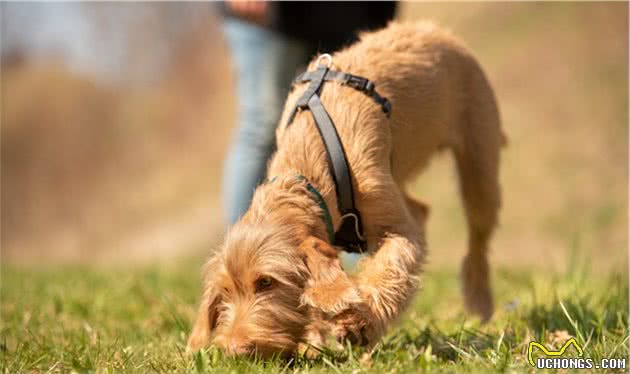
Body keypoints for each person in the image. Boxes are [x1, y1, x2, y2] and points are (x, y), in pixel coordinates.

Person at [221, 1, 397, 225]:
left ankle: (363, 251)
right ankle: (243, 252)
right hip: (272, 19)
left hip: (352, 15)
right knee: (262, 125)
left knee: (356, 133)